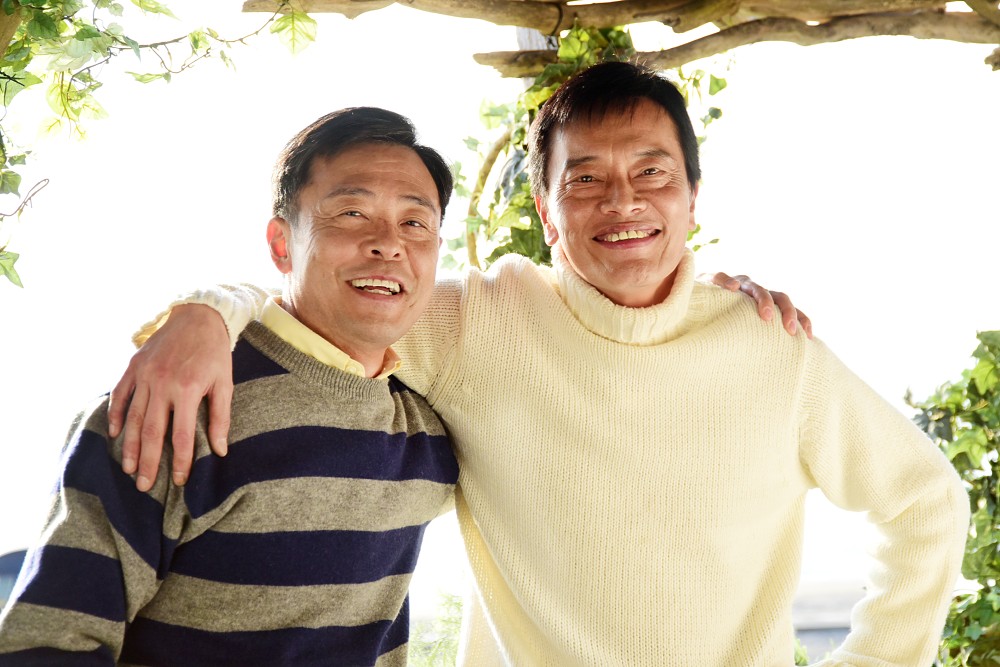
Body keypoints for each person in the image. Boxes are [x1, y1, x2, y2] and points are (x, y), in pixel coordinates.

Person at [107, 63, 967, 666]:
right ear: (548, 213)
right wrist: (202, 313)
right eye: (584, 180)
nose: (622, 200)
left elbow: (924, 501)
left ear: (692, 199)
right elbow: (328, 292)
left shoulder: (773, 348)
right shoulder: (482, 321)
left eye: (652, 172)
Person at [0, 107, 459, 666]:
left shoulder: (429, 434)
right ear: (281, 244)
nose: (388, 243)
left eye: (415, 223)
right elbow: (48, 645)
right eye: (351, 212)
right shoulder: (172, 405)